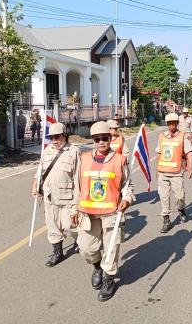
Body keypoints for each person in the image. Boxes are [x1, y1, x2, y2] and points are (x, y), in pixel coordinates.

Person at [72, 121, 134, 302]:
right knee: (86, 249)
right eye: (97, 139)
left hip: (111, 214)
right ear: (93, 140)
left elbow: (128, 186)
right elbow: (77, 186)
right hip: (88, 214)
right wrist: (74, 208)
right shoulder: (83, 159)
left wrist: (127, 199)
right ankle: (97, 267)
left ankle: (109, 279)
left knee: (111, 250)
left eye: (104, 138)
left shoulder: (119, 159)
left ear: (110, 138)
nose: (101, 142)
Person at [31, 122, 81, 267]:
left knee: (71, 225)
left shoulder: (74, 151)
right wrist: (35, 184)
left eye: (57, 137)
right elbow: (41, 170)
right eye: (51, 137)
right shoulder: (47, 151)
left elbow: (78, 178)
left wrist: (77, 203)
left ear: (64, 136)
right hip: (49, 196)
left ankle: (78, 240)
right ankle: (58, 252)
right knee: (52, 226)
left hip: (67, 197)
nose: (54, 140)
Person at [156, 113, 192, 234]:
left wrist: (190, 168)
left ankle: (181, 209)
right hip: (163, 173)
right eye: (169, 123)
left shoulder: (183, 136)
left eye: (174, 122)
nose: (171, 125)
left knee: (179, 196)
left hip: (177, 173)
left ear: (177, 123)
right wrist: (157, 169)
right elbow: (159, 153)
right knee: (164, 197)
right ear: (167, 124)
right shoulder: (162, 136)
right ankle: (166, 220)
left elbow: (189, 153)